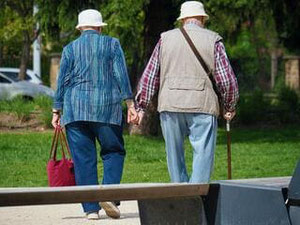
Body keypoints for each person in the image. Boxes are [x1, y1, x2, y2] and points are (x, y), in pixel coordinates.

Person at [132, 1, 239, 183]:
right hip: (202, 104)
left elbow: (150, 75)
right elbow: (226, 80)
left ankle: (181, 197)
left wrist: (140, 106)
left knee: (174, 157)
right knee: (203, 156)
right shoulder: (213, 39)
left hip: (170, 104)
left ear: (182, 20)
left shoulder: (165, 39)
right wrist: (229, 105)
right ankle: (196, 197)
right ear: (203, 18)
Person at [51, 9, 138, 220]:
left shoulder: (70, 48)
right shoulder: (112, 44)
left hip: (75, 110)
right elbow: (120, 74)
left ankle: (90, 209)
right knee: (113, 151)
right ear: (100, 27)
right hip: (106, 108)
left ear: (80, 28)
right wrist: (130, 103)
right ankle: (108, 194)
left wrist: (56, 110)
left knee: (83, 159)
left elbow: (61, 80)